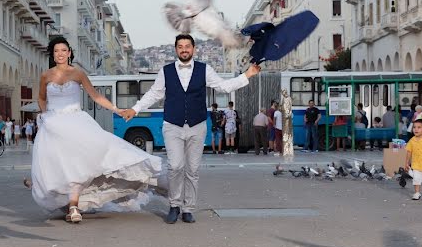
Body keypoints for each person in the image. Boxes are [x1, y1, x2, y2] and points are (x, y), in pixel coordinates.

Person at [124, 34, 260, 224]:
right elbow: (154, 94)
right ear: (176, 50)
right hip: (172, 125)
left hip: (197, 126)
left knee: (193, 169)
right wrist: (135, 109)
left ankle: (188, 209)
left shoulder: (205, 69)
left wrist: (248, 75)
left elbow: (223, 86)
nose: (184, 49)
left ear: (194, 49)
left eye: (188, 46)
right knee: (175, 167)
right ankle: (174, 205)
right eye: (180, 47)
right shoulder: (166, 71)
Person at [35, 36, 164, 224]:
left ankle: (73, 206)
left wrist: (116, 109)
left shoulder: (78, 74)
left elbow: (96, 96)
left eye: (63, 50)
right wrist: (45, 114)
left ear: (69, 53)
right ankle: (65, 200)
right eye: (56, 51)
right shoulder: (46, 75)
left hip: (75, 122)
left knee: (79, 162)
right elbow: (41, 97)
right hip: (53, 124)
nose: (60, 54)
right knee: (57, 164)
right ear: (52, 55)